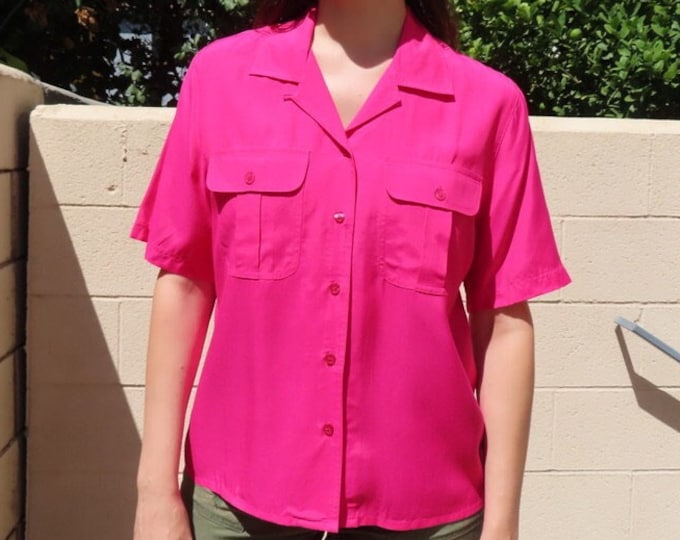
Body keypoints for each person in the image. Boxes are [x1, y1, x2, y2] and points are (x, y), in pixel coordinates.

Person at [131, 1, 571, 539]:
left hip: (425, 501)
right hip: (240, 496)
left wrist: (502, 524)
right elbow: (184, 282)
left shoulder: (488, 104)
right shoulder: (222, 79)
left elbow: (503, 322)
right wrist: (154, 490)